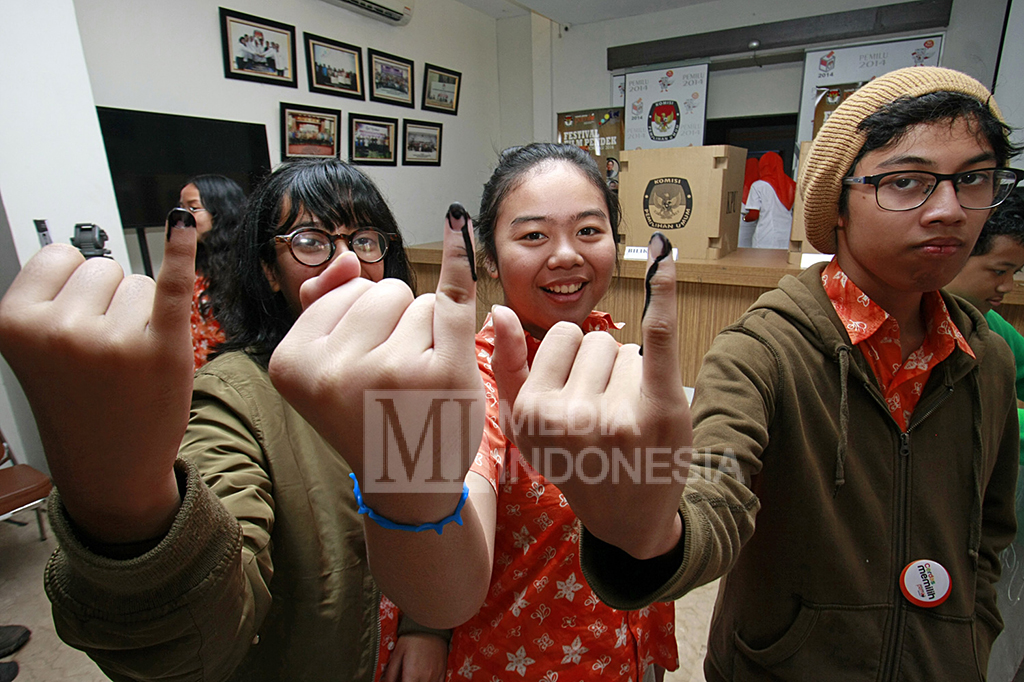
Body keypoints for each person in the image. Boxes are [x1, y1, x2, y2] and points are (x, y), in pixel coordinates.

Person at [565, 66, 1020, 680]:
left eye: (972, 180)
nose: (948, 209)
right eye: (907, 182)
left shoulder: (987, 358)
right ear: (838, 205)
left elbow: (987, 532)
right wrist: (646, 532)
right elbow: (712, 490)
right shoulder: (763, 351)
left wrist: (975, 631)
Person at [0, 159, 447, 682]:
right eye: (311, 241)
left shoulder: (412, 364)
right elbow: (192, 648)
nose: (348, 262)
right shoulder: (232, 396)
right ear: (267, 270)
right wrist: (125, 512)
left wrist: (426, 626)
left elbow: (440, 508)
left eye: (365, 239)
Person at [267, 144, 684, 680]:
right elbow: (448, 589)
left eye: (588, 231)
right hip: (527, 660)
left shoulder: (621, 354)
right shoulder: (476, 375)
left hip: (630, 644)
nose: (565, 255)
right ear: (489, 256)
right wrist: (399, 473)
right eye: (533, 236)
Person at [176, 174, 246, 370]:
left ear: (221, 211)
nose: (183, 216)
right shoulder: (193, 261)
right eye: (182, 207)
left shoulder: (242, 265)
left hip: (227, 373)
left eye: (193, 208)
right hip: (195, 370)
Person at [742, 151, 796, 249]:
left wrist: (744, 218)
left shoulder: (759, 185)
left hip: (767, 234)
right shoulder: (792, 185)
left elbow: (754, 215)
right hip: (787, 234)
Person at [738, 156, 760, 247]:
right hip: (756, 225)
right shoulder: (759, 184)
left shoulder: (739, 184)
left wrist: (744, 218)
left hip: (742, 222)